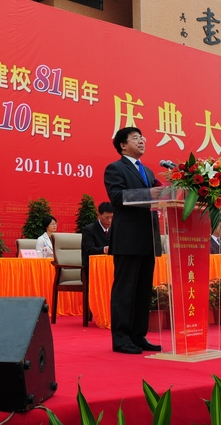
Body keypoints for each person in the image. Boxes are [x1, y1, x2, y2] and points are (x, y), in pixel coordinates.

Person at [104, 127, 162, 354]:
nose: (141, 141)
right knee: (125, 290)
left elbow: (155, 197)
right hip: (127, 239)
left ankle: (138, 336)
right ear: (123, 145)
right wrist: (149, 194)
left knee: (143, 290)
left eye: (142, 137)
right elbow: (117, 197)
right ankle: (121, 338)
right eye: (135, 138)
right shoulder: (115, 168)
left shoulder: (147, 171)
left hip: (148, 238)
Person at [81, 202, 113, 283]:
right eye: (106, 217)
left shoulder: (114, 230)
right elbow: (89, 249)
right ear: (99, 215)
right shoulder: (89, 230)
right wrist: (105, 249)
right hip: (93, 269)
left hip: (110, 267)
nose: (109, 221)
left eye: (112, 217)